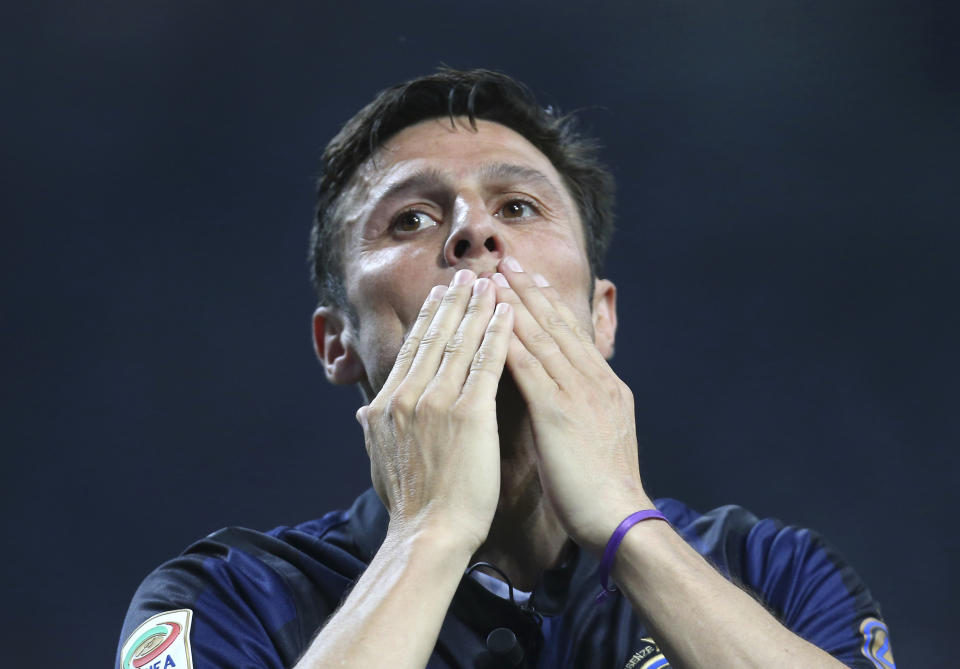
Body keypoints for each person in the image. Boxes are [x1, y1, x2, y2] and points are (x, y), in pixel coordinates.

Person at [117, 68, 895, 669]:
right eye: (412, 218)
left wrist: (629, 522)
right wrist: (430, 532)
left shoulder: (770, 574)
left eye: (518, 207)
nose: (473, 232)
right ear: (337, 341)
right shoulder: (229, 598)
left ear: (602, 314)